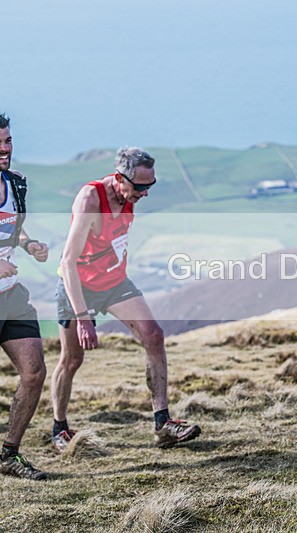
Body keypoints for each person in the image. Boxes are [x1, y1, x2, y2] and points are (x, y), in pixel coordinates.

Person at [52, 147, 201, 451]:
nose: (145, 194)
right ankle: (60, 428)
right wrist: (83, 318)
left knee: (154, 336)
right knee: (72, 359)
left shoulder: (129, 194)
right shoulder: (90, 200)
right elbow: (68, 261)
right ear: (120, 178)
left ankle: (163, 423)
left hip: (114, 282)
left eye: (151, 186)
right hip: (79, 286)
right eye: (140, 187)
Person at [0, 113, 50, 480]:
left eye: (8, 141)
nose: (5, 149)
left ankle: (9, 455)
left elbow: (11, 228)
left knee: (33, 373)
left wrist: (29, 243)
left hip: (10, 296)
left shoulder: (15, 184)